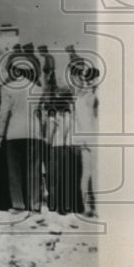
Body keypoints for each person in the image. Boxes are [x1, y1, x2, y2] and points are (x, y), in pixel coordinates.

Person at [0, 65, 45, 212]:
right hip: (34, 132)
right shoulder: (38, 89)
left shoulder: (7, 88)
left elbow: (3, 113)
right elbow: (41, 115)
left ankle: (18, 204)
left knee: (15, 171)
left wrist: (0, 134)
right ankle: (35, 204)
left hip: (14, 132)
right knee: (34, 170)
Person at [44, 93, 81, 214]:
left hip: (56, 148)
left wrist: (45, 144)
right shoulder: (72, 117)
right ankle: (71, 205)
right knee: (68, 178)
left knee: (54, 179)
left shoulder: (54, 118)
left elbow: (49, 137)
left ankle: (54, 204)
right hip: (71, 149)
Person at [73, 67, 99, 216]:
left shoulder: (79, 97)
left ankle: (87, 207)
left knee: (86, 174)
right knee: (94, 173)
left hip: (83, 137)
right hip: (93, 136)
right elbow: (95, 118)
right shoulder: (92, 97)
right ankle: (96, 207)